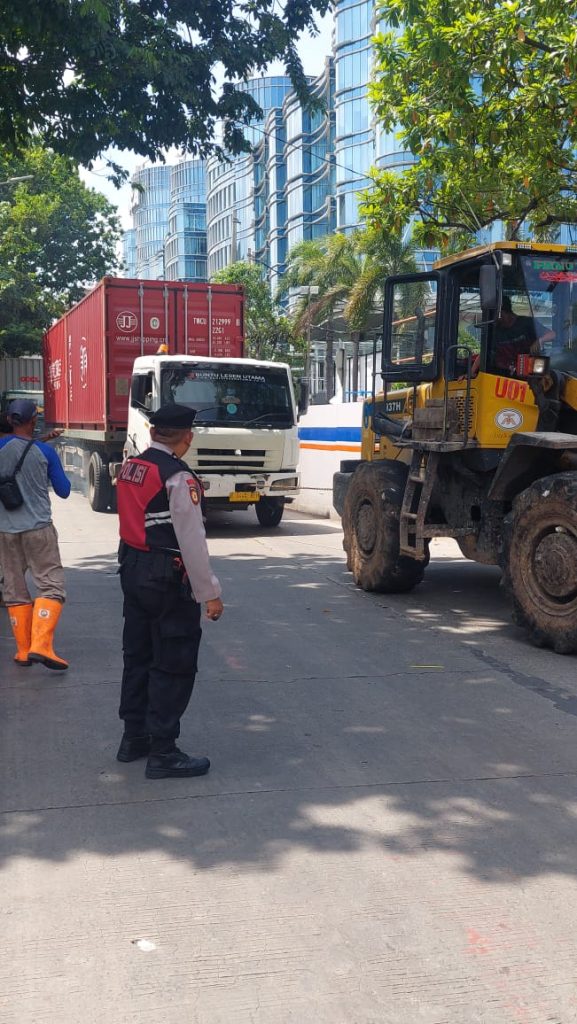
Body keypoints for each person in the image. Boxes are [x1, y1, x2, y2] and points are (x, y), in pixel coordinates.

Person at [116, 403, 223, 780]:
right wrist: (209, 592)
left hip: (133, 568)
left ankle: (133, 738)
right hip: (165, 577)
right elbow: (191, 540)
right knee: (173, 662)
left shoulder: (131, 467)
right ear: (188, 438)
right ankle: (163, 751)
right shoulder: (177, 476)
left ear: (152, 432)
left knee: (138, 655)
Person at [0, 398, 71, 669]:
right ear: (33, 420)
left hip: (5, 531)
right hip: (38, 529)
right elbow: (64, 490)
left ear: (10, 420)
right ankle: (41, 645)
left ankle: (22, 651)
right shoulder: (45, 452)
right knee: (50, 585)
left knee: (14, 588)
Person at [491, 294, 555, 374]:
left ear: (503, 312)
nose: (497, 320)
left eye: (497, 315)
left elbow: (552, 334)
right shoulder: (496, 331)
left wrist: (540, 340)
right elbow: (487, 352)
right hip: (503, 375)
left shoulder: (527, 322)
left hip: (530, 372)